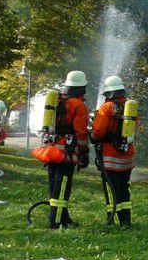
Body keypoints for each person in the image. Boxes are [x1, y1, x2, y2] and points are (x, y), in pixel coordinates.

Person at [46, 71, 91, 229]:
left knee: (54, 184)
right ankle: (56, 221)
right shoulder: (78, 105)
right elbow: (81, 132)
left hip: (51, 149)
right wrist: (84, 150)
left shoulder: (57, 100)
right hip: (67, 152)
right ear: (82, 88)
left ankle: (63, 218)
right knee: (63, 186)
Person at [91, 75, 136, 226]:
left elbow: (98, 131)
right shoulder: (130, 107)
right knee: (124, 188)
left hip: (110, 155)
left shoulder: (107, 107)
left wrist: (93, 137)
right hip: (126, 156)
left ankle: (113, 220)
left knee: (112, 188)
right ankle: (126, 220)